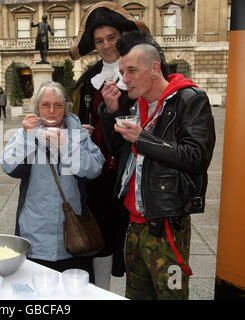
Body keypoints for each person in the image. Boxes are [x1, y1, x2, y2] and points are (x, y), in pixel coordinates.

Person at [100, 31, 216, 299]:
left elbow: (197, 157)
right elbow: (118, 151)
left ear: (154, 69)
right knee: (136, 294)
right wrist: (110, 112)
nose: (124, 79)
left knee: (170, 295)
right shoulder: (135, 104)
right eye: (121, 71)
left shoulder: (190, 99)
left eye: (131, 71)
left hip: (166, 225)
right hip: (134, 223)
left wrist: (143, 139)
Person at [69, 1, 149, 289]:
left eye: (111, 38)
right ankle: (102, 291)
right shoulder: (88, 79)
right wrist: (81, 129)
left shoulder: (141, 73)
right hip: (99, 174)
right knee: (100, 235)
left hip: (134, 171)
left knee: (131, 237)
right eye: (99, 40)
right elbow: (76, 120)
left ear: (122, 36)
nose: (105, 46)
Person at [1, 81, 105, 282]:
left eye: (57, 105)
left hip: (75, 236)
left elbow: (94, 169)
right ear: (37, 107)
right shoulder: (26, 132)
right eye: (45, 105)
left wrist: (67, 146)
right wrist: (27, 137)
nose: (51, 111)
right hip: (35, 234)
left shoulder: (78, 133)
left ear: (65, 107)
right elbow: (9, 166)